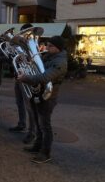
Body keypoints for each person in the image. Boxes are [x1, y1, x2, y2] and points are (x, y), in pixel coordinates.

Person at [17, 35, 67, 164]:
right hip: (38, 93)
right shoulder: (48, 56)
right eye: (47, 45)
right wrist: (27, 62)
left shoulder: (60, 62)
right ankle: (37, 146)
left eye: (50, 46)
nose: (47, 47)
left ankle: (45, 153)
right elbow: (35, 69)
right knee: (38, 123)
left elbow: (45, 77)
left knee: (45, 125)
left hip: (48, 96)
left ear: (58, 48)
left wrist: (26, 78)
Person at [9, 23, 36, 144]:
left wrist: (26, 59)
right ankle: (21, 124)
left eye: (24, 34)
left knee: (30, 107)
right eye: (21, 34)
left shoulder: (33, 45)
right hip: (19, 77)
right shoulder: (19, 46)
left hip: (29, 79)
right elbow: (14, 61)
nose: (22, 37)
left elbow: (35, 62)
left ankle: (32, 132)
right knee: (19, 102)